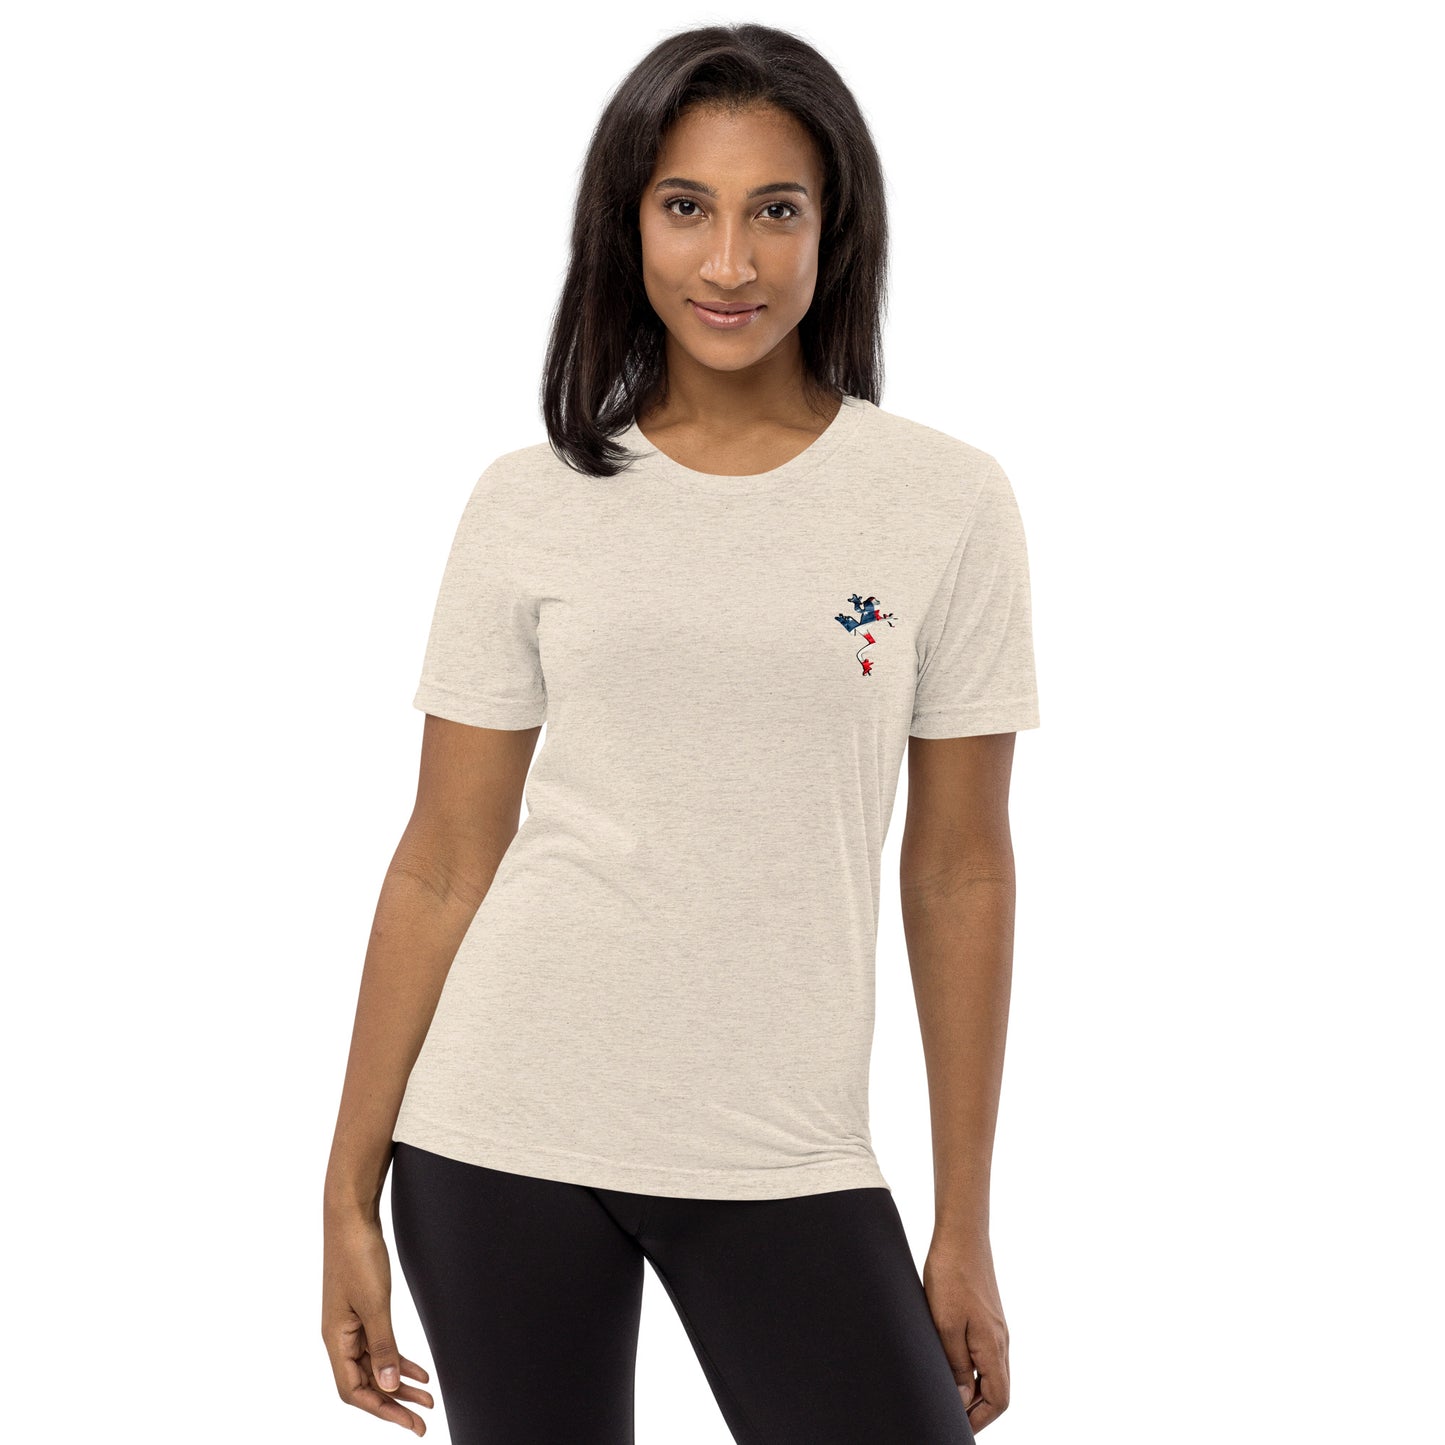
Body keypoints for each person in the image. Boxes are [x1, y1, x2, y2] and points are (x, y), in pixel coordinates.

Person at [322, 22, 1040, 1444]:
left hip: (787, 1148)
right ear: (627, 224)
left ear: (835, 231)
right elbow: (445, 854)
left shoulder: (943, 503)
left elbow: (961, 868)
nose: (729, 262)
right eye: (686, 207)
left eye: (776, 211)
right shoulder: (529, 500)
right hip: (498, 1128)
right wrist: (346, 1188)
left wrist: (962, 1219)